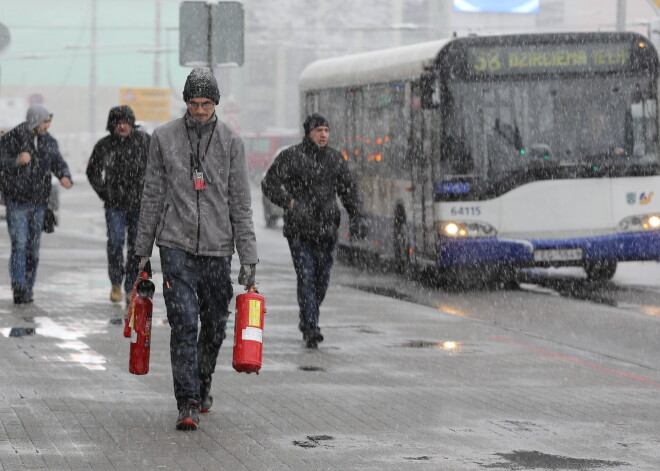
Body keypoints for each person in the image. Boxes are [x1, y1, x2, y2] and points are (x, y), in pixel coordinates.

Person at [134, 68, 258, 431]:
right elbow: (153, 196)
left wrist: (248, 258)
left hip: (219, 249)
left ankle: (204, 381)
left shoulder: (231, 144)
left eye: (205, 104)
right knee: (185, 322)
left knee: (215, 325)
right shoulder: (164, 138)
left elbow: (241, 204)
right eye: (193, 103)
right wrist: (143, 251)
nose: (200, 110)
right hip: (175, 245)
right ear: (185, 102)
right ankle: (186, 400)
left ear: (215, 103)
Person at [261, 112, 366, 349]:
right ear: (309, 133)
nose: (323, 135)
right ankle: (311, 327)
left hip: (327, 230)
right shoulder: (291, 157)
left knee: (322, 280)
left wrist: (358, 216)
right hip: (299, 231)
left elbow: (349, 191)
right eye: (319, 130)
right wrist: (290, 203)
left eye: (326, 131)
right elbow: (269, 183)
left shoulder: (335, 159)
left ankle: (308, 316)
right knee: (306, 276)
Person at [0, 104, 73, 304]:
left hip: (39, 203)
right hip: (17, 202)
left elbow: (58, 162)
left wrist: (65, 176)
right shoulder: (12, 138)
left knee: (33, 248)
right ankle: (19, 287)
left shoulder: (49, 142)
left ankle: (28, 287)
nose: (47, 125)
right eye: (45, 121)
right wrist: (16, 161)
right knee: (20, 245)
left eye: (48, 122)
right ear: (35, 121)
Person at [86, 105, 151, 304]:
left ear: (132, 123)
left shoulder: (144, 141)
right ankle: (115, 281)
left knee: (135, 247)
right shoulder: (104, 145)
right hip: (114, 204)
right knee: (115, 242)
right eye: (118, 123)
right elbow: (93, 171)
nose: (122, 126)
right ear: (112, 125)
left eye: (125, 122)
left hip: (139, 203)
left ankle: (130, 283)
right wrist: (105, 193)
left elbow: (159, 167)